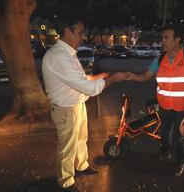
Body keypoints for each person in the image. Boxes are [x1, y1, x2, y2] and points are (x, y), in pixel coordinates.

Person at [42, 16, 127, 192]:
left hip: (76, 105)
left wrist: (98, 76)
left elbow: (80, 80)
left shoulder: (68, 54)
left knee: (81, 139)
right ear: (67, 31)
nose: (83, 37)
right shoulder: (58, 56)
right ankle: (65, 182)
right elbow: (88, 88)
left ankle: (81, 166)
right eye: (80, 33)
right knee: (67, 148)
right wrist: (112, 80)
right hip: (66, 109)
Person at [125, 24, 184, 177]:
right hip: (165, 107)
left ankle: (180, 162)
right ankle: (164, 153)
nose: (162, 41)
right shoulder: (160, 59)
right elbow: (145, 76)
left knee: (181, 137)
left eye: (166, 37)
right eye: (162, 37)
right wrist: (132, 76)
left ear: (177, 40)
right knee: (164, 132)